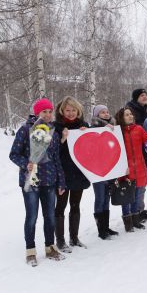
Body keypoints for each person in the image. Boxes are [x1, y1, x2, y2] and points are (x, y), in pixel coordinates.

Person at [9, 98, 66, 266]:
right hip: (30, 181)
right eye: (44, 112)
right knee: (32, 217)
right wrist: (25, 164)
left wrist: (61, 181)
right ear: (36, 113)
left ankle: (50, 247)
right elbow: (14, 154)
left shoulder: (53, 132)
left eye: (50, 111)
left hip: (49, 180)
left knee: (49, 217)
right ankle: (30, 251)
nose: (48, 115)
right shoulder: (25, 130)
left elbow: (56, 159)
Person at [53, 96, 91, 252]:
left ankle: (74, 238)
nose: (70, 113)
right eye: (67, 110)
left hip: (78, 172)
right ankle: (60, 241)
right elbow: (51, 152)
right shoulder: (55, 127)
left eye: (73, 110)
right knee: (60, 206)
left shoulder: (84, 126)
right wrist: (62, 139)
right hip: (62, 172)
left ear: (78, 111)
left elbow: (91, 149)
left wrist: (86, 135)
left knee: (76, 205)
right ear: (62, 111)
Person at [114, 107, 147, 232]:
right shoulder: (117, 132)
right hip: (125, 170)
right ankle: (127, 223)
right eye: (127, 115)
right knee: (126, 197)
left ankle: (136, 220)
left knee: (136, 196)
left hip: (139, 168)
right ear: (121, 118)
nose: (130, 116)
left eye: (131, 114)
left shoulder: (139, 129)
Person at [125, 88, 147, 222]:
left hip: (143, 151)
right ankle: (135, 212)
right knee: (136, 185)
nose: (145, 97)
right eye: (142, 95)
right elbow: (134, 127)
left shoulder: (143, 109)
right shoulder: (131, 109)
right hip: (135, 153)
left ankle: (140, 210)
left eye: (146, 95)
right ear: (136, 97)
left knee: (142, 183)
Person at [90, 104, 119, 240]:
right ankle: (100, 230)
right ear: (97, 115)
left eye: (107, 111)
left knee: (107, 197)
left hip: (110, 169)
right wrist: (104, 130)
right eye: (102, 112)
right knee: (100, 198)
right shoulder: (93, 128)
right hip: (97, 170)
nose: (106, 114)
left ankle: (106, 227)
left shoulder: (113, 128)